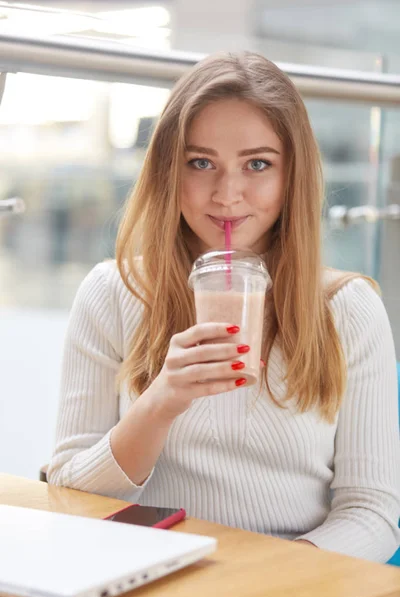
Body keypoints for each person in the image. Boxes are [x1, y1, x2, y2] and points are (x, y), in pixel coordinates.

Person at [47, 52, 399, 563]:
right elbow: (69, 493)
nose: (227, 194)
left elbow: (370, 512)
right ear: (169, 169)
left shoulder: (349, 309)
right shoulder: (113, 292)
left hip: (293, 580)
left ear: (291, 175)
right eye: (201, 163)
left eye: (257, 164)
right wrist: (159, 403)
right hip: (148, 572)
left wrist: (272, 582)